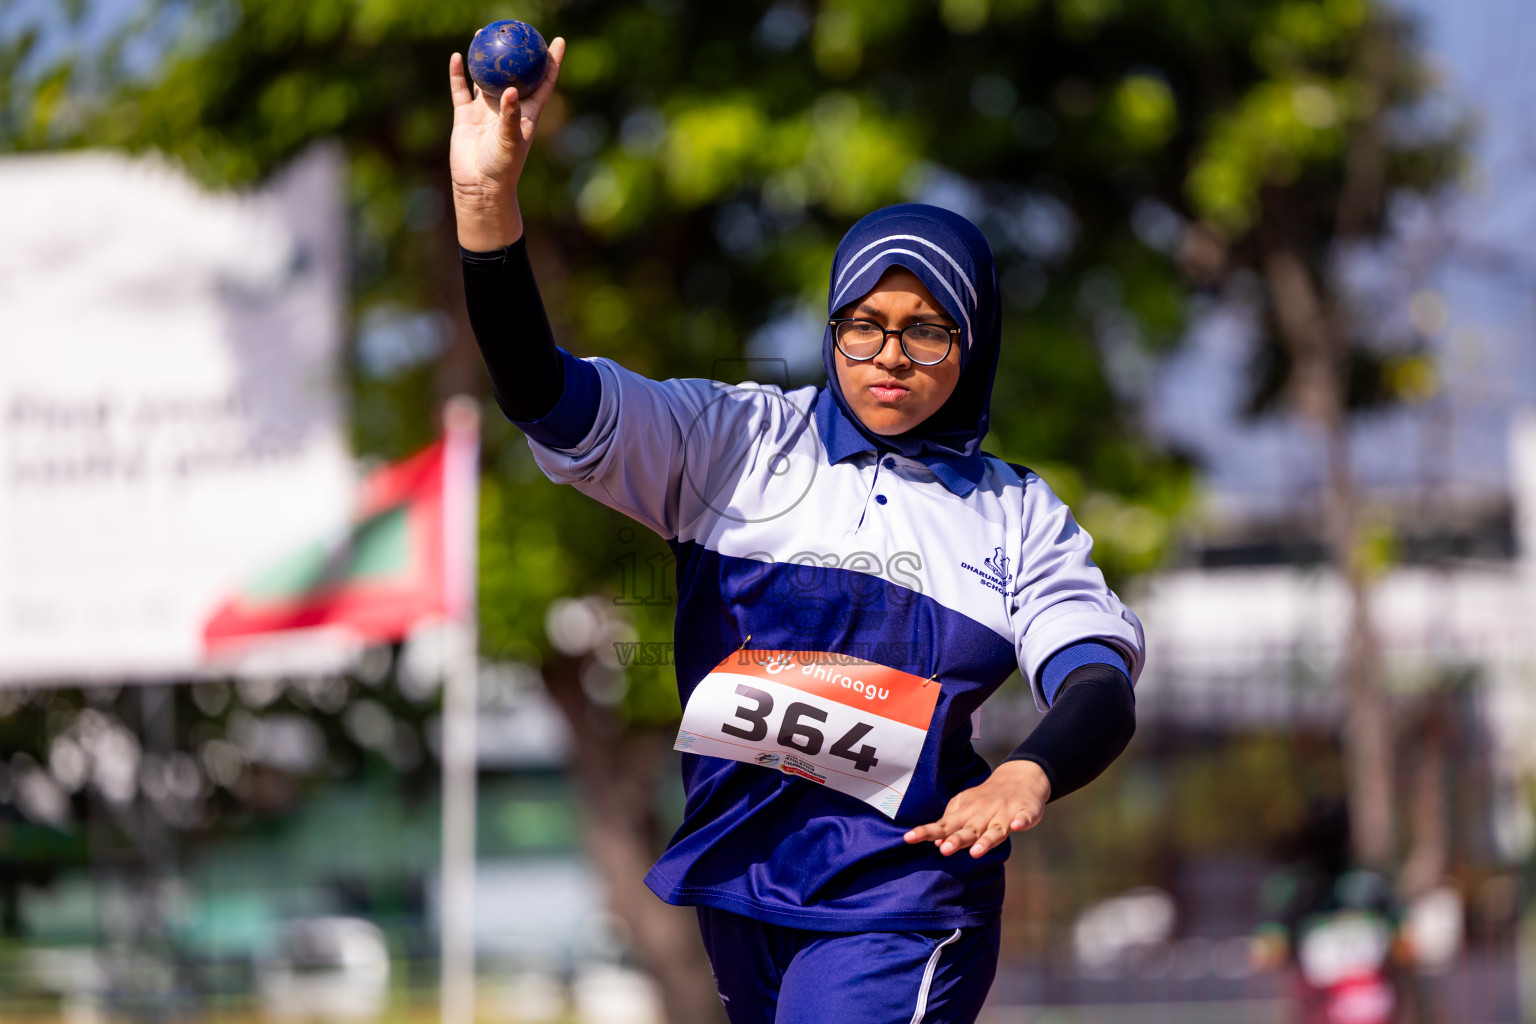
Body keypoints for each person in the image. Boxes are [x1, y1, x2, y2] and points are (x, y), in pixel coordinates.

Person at [449, 38, 1144, 1024]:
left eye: (927, 329)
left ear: (974, 342)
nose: (890, 355)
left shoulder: (1017, 513)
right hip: (746, 880)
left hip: (904, 893)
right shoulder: (735, 438)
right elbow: (543, 395)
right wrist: (486, 206)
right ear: (831, 329)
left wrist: (1031, 770)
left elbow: (1098, 683)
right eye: (864, 324)